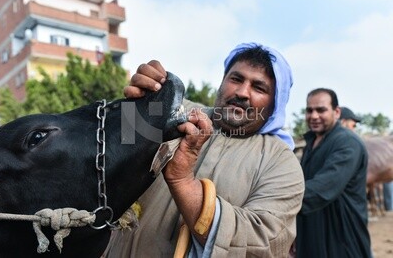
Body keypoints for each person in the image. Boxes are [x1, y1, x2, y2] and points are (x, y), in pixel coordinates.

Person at [103, 43, 305, 257]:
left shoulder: (282, 163)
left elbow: (263, 241)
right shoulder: (176, 110)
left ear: (275, 104)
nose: (242, 92)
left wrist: (183, 181)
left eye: (259, 87)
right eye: (236, 79)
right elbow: (116, 155)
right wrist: (140, 99)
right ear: (222, 82)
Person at [296, 88, 371, 257]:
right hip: (312, 233)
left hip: (342, 236)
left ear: (336, 112)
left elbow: (321, 189)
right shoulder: (311, 142)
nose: (314, 116)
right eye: (309, 110)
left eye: (321, 110)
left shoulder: (348, 143)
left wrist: (275, 201)